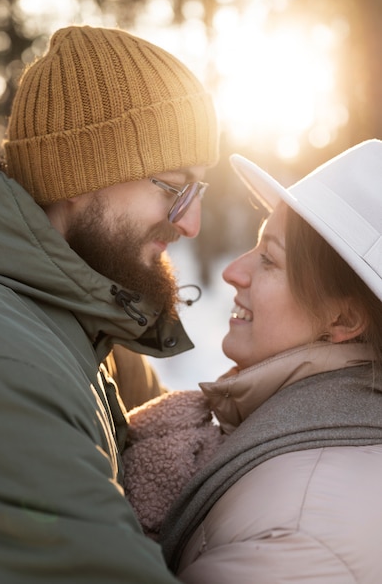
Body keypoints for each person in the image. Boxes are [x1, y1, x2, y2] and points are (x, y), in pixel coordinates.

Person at [0, 25, 219, 583]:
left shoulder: (82, 320)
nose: (191, 222)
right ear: (76, 173)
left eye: (198, 192)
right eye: (173, 185)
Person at [122, 139, 382, 583]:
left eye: (269, 259)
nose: (234, 271)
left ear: (344, 318)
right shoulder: (290, 429)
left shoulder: (300, 536)